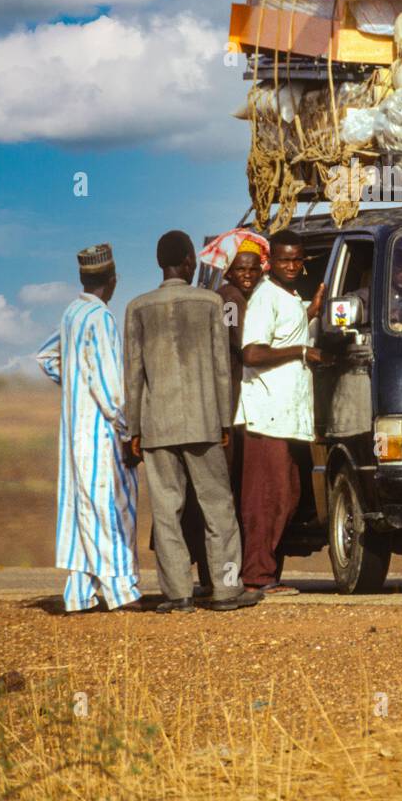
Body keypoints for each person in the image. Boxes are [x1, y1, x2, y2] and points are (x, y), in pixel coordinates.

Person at [124, 230, 261, 614]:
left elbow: (133, 375)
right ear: (189, 262)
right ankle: (226, 589)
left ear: (159, 263)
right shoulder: (209, 302)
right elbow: (221, 368)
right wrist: (224, 422)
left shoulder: (137, 307)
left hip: (157, 426)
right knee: (218, 506)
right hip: (203, 422)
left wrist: (134, 429)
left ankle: (178, 595)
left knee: (168, 511)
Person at [36, 243, 141, 614]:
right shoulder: (100, 318)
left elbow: (47, 356)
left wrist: (75, 382)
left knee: (83, 508)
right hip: (99, 434)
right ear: (112, 281)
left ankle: (78, 595)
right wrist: (129, 430)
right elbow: (112, 390)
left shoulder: (71, 313)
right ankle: (121, 591)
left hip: (73, 433)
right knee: (108, 508)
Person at [236, 231, 327, 595]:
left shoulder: (286, 296)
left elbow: (284, 331)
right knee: (266, 499)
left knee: (287, 494)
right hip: (266, 414)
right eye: (284, 260)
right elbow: (253, 353)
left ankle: (266, 573)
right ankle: (256, 577)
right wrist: (302, 352)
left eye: (297, 260)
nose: (291, 266)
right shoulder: (263, 297)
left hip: (286, 416)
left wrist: (311, 313)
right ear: (269, 262)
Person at [181, 242, 264, 594]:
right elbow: (237, 338)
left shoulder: (230, 296)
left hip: (224, 402)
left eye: (253, 269)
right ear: (229, 272)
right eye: (241, 269)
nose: (247, 275)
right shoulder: (229, 299)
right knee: (221, 491)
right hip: (227, 404)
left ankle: (210, 573)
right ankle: (220, 576)